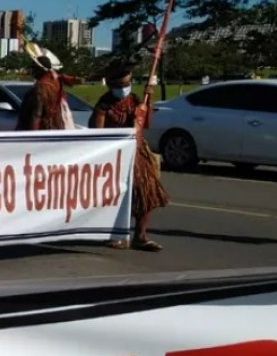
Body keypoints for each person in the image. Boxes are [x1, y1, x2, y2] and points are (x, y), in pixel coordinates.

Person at [90, 62, 169, 251]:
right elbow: (97, 131)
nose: (124, 89)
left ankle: (140, 236)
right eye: (119, 86)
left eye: (127, 84)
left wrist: (147, 103)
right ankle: (116, 234)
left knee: (146, 193)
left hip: (138, 154)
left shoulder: (134, 100)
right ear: (110, 86)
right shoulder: (103, 105)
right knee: (118, 197)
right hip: (114, 157)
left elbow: (146, 124)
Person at [15, 43, 73, 131]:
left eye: (34, 67)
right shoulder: (55, 83)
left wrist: (32, 137)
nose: (32, 69)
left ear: (39, 69)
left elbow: (36, 114)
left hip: (42, 131)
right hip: (54, 129)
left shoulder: (41, 88)